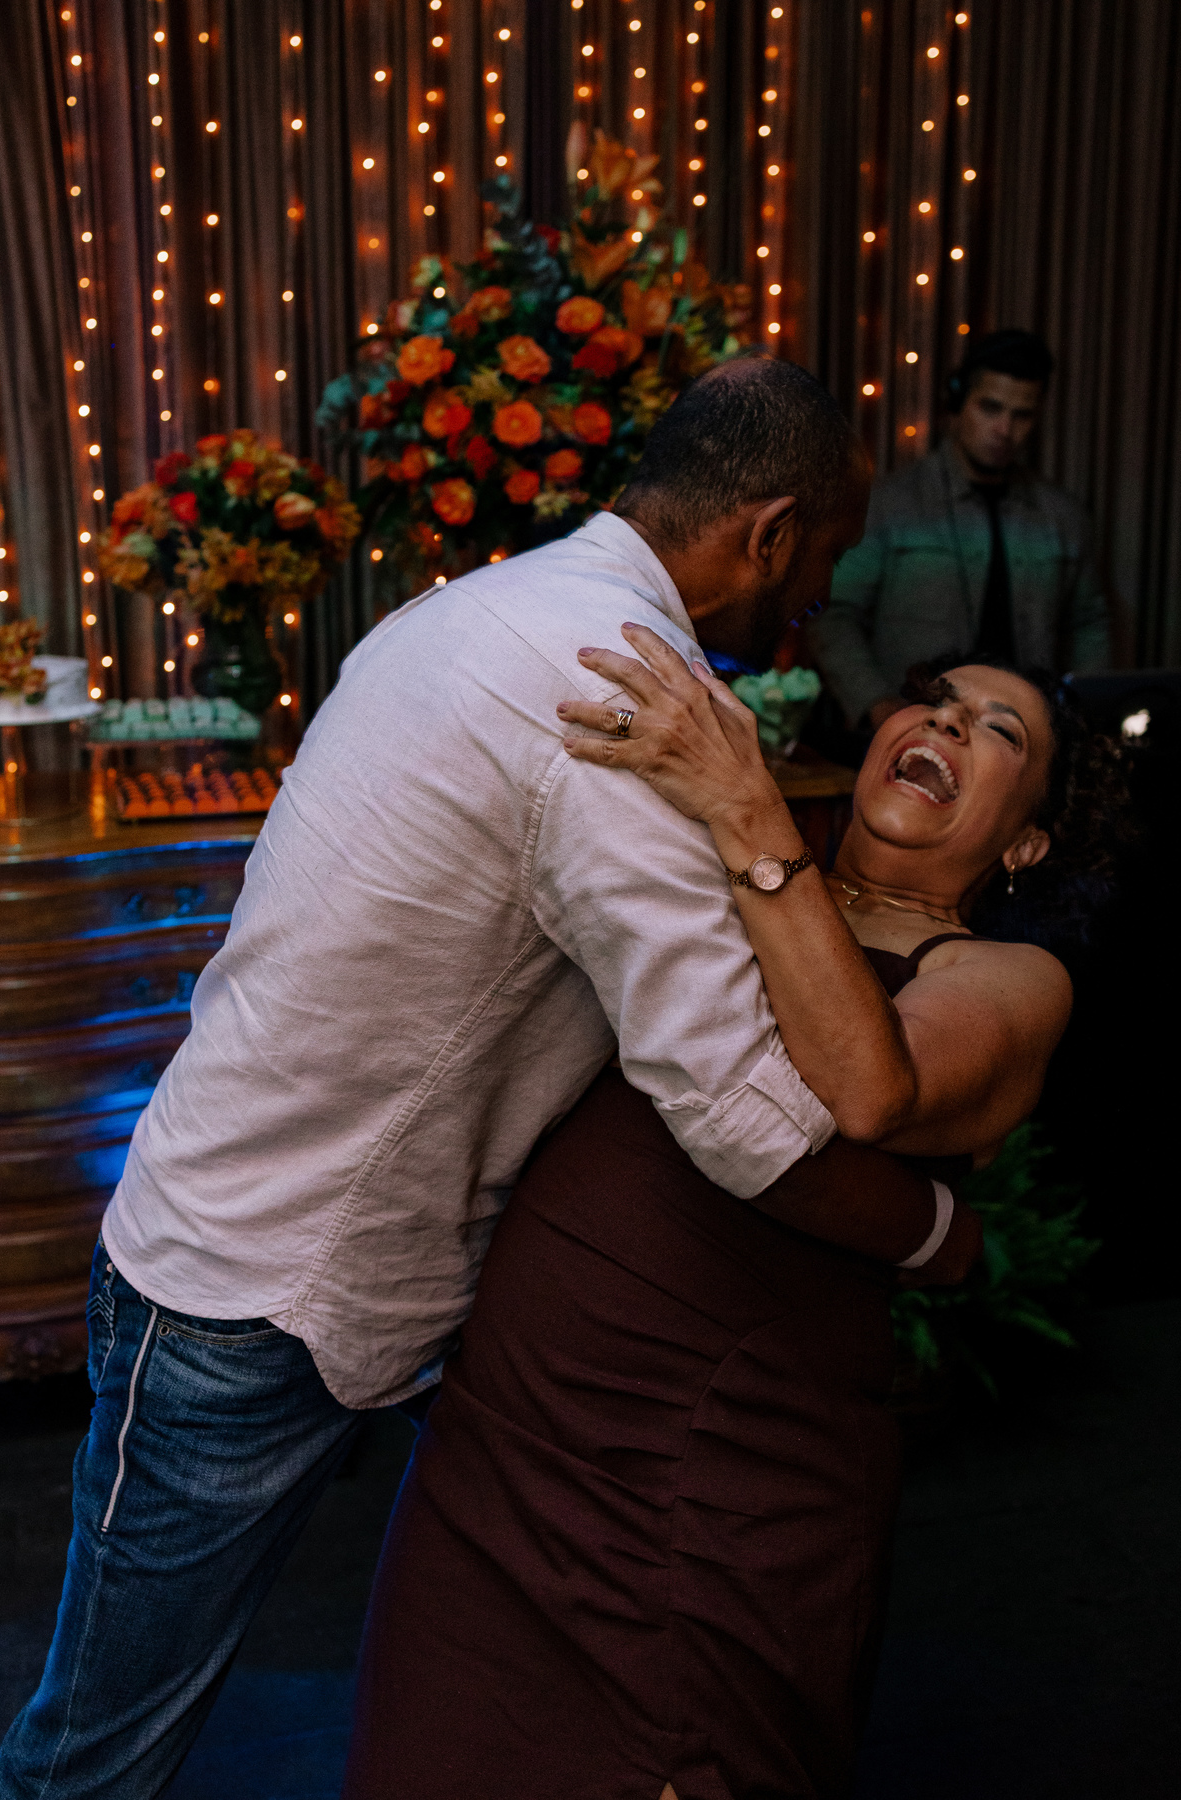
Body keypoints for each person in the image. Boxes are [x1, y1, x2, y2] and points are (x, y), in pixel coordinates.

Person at [0, 359, 971, 1800]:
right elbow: (743, 1118)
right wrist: (936, 1230)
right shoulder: (622, 698)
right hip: (249, 1289)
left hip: (306, 1267)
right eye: (826, 557)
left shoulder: (475, 606)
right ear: (771, 535)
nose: (823, 594)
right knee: (89, 1762)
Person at [342, 645, 1125, 1800]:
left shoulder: (1012, 979)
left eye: (998, 730)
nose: (948, 726)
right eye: (936, 702)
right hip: (509, 1430)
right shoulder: (716, 864)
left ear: (1026, 845)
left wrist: (748, 810)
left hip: (713, 1475)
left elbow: (871, 1087)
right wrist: (928, 1229)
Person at [810, 329, 1110, 737]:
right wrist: (877, 705)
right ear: (957, 403)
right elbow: (834, 614)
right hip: (915, 731)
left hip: (1020, 742)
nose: (1004, 428)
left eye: (1022, 415)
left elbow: (1089, 622)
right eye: (990, 408)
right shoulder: (888, 506)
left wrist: (1081, 715)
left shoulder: (1063, 518)